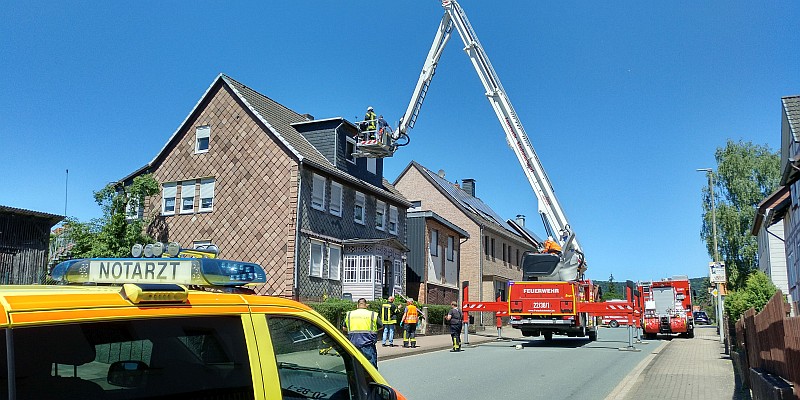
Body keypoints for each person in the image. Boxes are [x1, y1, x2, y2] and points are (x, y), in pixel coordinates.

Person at [343, 298, 382, 368]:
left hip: (353, 345)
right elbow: (381, 326)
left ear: (357, 305)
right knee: (371, 368)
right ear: (366, 305)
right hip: (368, 345)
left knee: (355, 367)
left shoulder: (350, 314)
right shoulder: (372, 314)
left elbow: (344, 328)